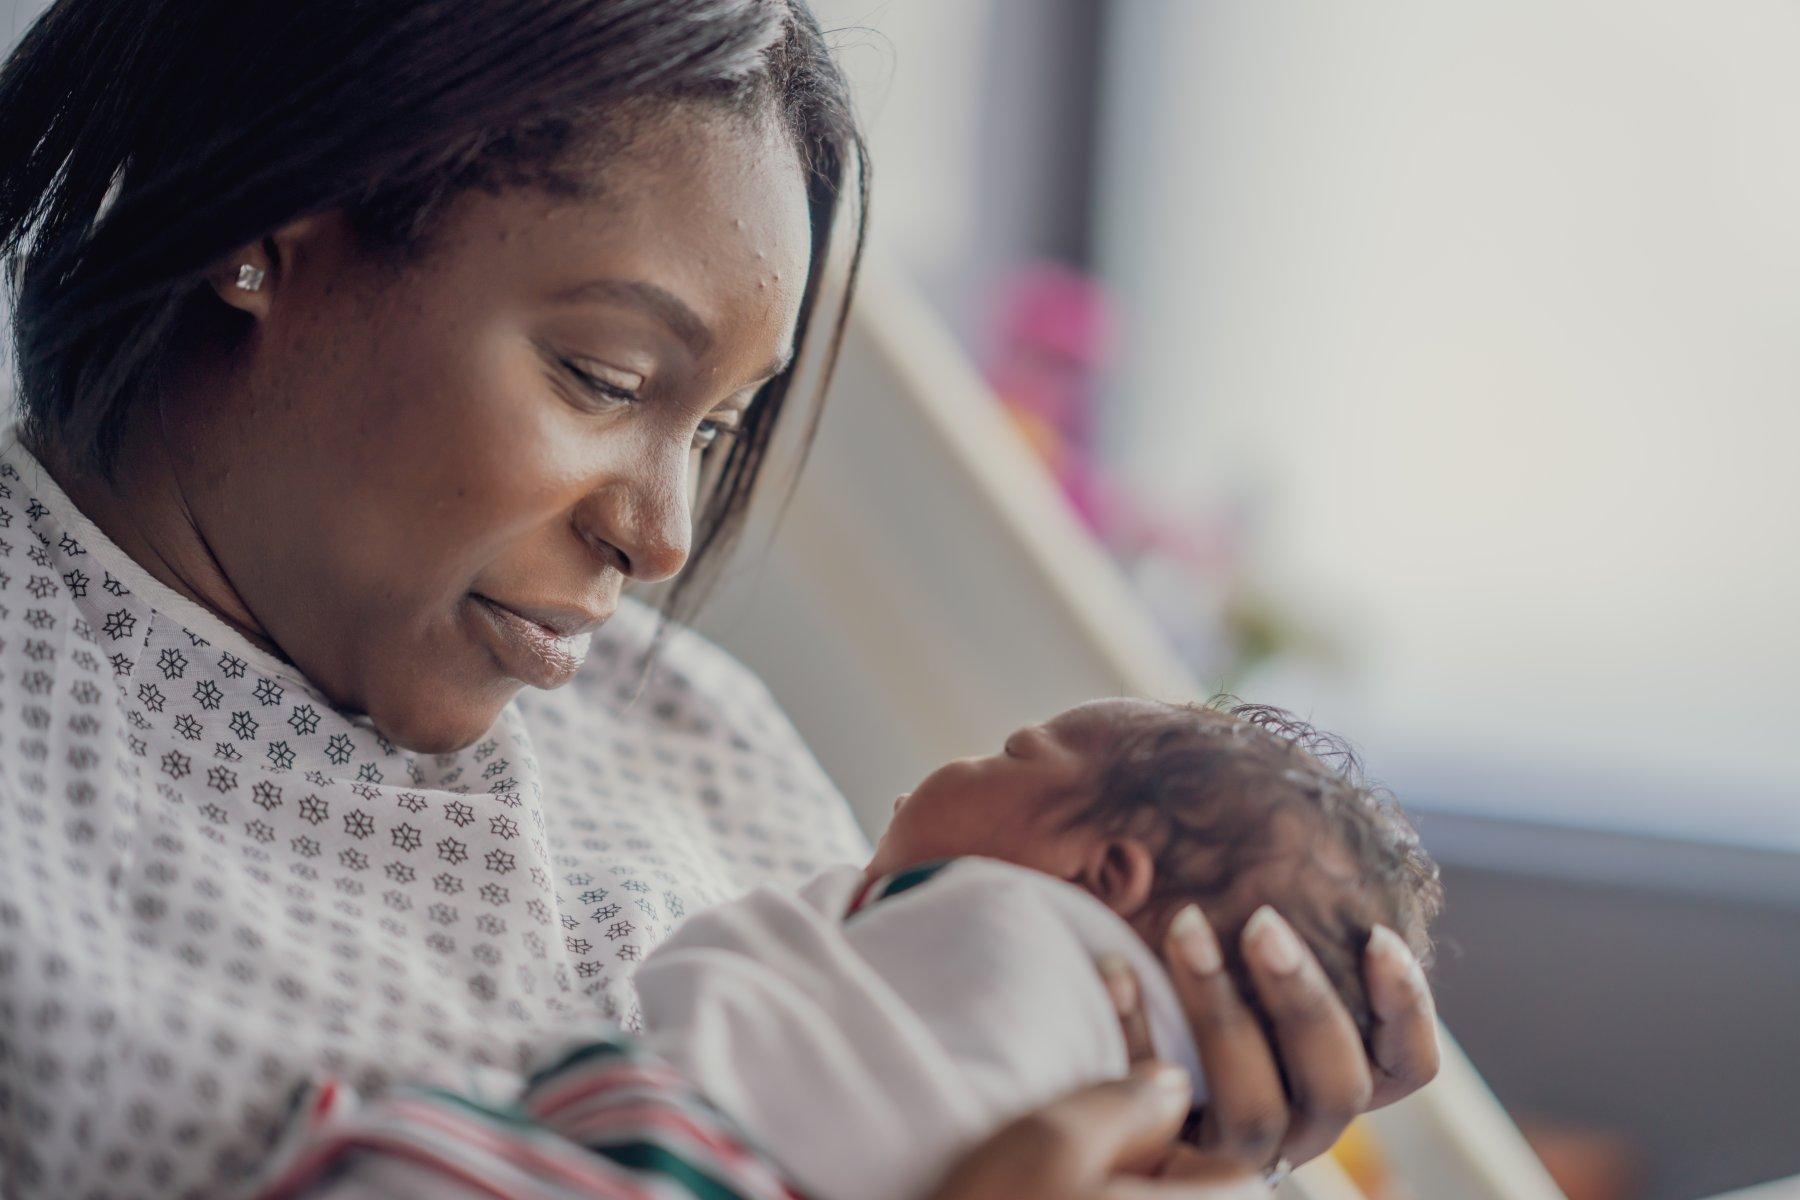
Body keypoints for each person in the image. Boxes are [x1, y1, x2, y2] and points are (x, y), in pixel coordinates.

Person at [0, 2, 1441, 1198]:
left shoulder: (683, 721)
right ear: (265, 233)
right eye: (607, 380)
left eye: (710, 431)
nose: (665, 536)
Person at [253, 697, 1442, 1200]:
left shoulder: (1002, 921)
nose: (964, 768)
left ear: (1106, 874)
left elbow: (724, 977)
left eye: (1011, 759)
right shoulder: (1159, 1115)